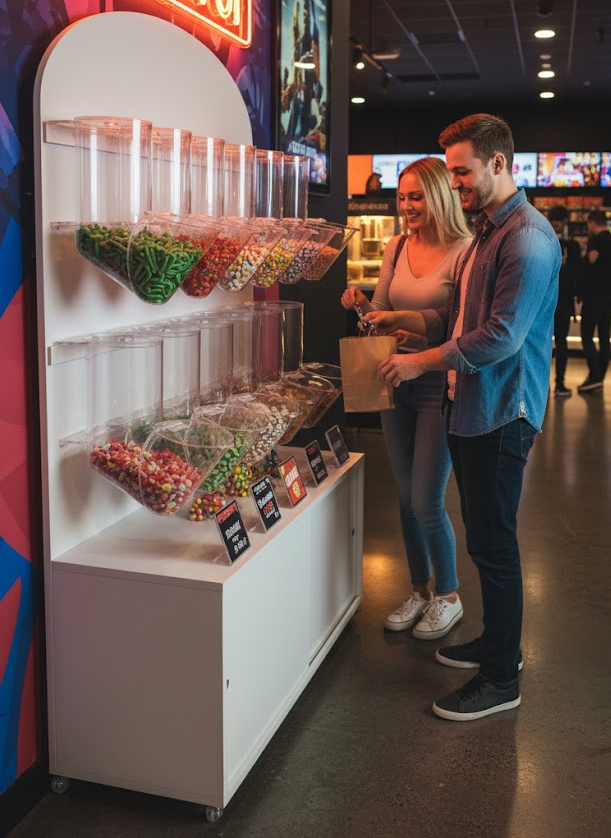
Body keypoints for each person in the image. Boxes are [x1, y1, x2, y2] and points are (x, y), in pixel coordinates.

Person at [367, 114, 561, 721]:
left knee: (495, 545)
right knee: (482, 536)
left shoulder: (526, 239)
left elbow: (501, 337)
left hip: (503, 409)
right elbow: (458, 320)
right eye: (450, 172)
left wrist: (420, 362)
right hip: (473, 404)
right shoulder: (485, 234)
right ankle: (494, 645)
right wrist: (403, 324)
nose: (454, 184)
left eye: (461, 171)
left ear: (498, 163)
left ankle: (502, 677)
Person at [341, 157, 472, 640]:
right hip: (392, 378)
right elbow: (380, 309)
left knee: (426, 499)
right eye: (402, 197)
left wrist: (409, 330)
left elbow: (459, 322)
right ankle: (420, 589)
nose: (407, 206)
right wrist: (361, 303)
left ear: (438, 196)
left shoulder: (464, 251)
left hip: (436, 381)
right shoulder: (396, 246)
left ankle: (449, 596)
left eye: (416, 196)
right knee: (403, 496)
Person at [547, 205, 582, 397]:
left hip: (551, 301)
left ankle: (555, 382)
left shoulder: (544, 240)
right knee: (559, 343)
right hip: (560, 301)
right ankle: (557, 383)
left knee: (551, 343)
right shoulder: (571, 246)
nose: (556, 224)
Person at [577, 209, 611, 393]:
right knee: (604, 337)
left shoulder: (596, 242)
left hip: (593, 297)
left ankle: (595, 375)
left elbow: (588, 270)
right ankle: (599, 376)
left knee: (587, 336)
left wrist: (579, 291)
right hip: (608, 298)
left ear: (591, 223)